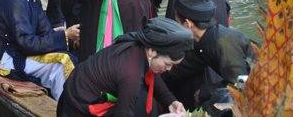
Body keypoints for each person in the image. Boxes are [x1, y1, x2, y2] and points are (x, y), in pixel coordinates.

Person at [58, 17, 193, 117]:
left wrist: (170, 101)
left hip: (71, 97)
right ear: (152, 51)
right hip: (77, 110)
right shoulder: (131, 73)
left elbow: (151, 76)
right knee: (142, 105)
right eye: (168, 64)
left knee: (144, 100)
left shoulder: (137, 45)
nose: (168, 69)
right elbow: (124, 114)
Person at [164, 0, 257, 114]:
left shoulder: (224, 42)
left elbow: (239, 85)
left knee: (209, 107)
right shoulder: (203, 41)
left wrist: (205, 91)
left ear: (187, 23)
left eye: (176, 20)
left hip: (271, 88)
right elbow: (180, 69)